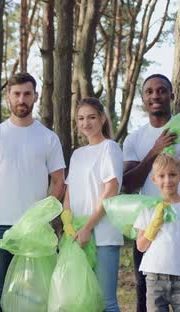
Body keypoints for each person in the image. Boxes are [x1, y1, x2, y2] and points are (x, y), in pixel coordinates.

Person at [0, 72, 66, 312]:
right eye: (17, 94)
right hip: (1, 228)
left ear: (35, 96)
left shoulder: (48, 138)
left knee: (35, 298)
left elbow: (59, 182)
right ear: (8, 98)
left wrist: (40, 217)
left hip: (35, 230)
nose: (22, 99)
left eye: (27, 94)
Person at [122, 74, 180, 312]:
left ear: (171, 95)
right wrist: (153, 152)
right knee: (146, 297)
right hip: (148, 228)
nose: (155, 96)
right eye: (149, 91)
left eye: (161, 90)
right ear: (143, 98)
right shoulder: (134, 139)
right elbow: (128, 184)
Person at [61, 97, 124, 311]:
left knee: (106, 302)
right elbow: (68, 195)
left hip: (103, 235)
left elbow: (111, 190)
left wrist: (88, 227)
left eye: (91, 117)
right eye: (80, 118)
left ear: (102, 119)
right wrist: (69, 225)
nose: (86, 123)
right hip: (77, 236)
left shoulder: (110, 148)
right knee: (83, 301)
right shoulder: (77, 154)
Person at [134, 153, 180, 312]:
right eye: (161, 176)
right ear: (154, 179)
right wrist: (154, 225)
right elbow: (140, 246)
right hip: (154, 280)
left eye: (172, 174)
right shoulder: (148, 209)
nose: (167, 180)